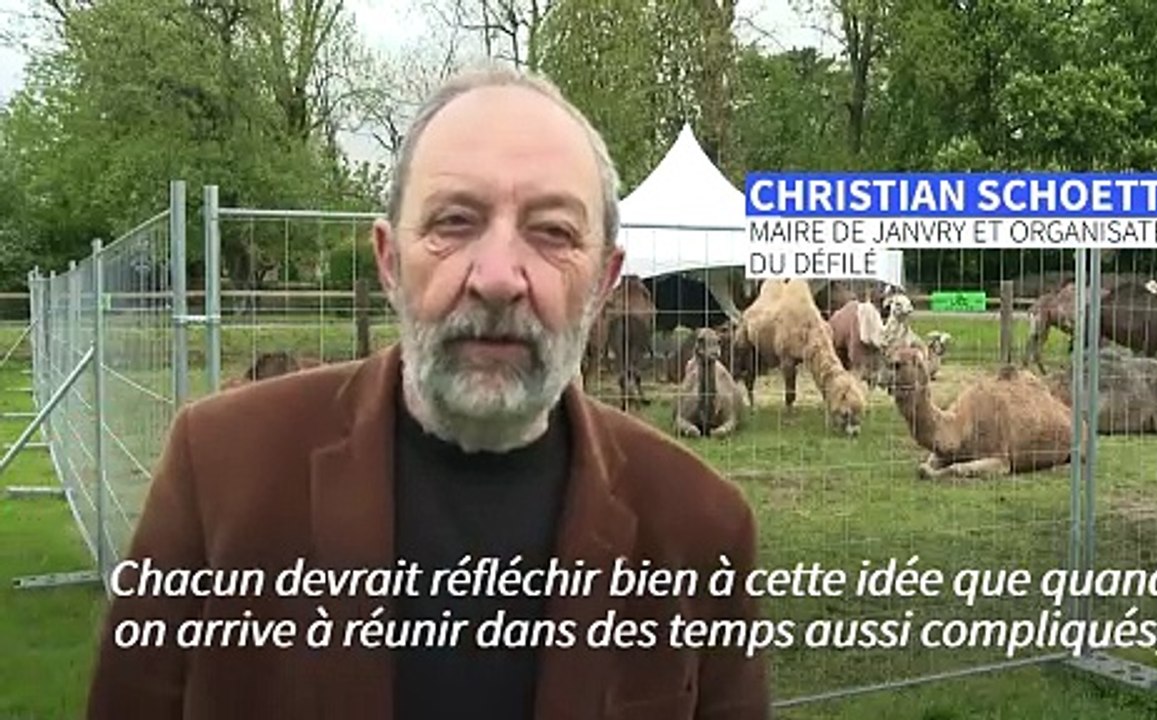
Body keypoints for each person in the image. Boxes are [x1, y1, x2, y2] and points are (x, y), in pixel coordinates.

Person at [85, 63, 771, 719]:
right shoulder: (219, 469)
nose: (499, 277)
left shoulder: (703, 527)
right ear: (389, 260)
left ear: (603, 282)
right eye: (454, 222)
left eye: (554, 232)